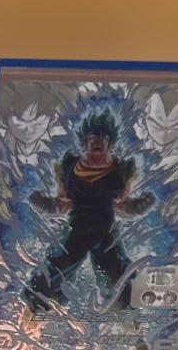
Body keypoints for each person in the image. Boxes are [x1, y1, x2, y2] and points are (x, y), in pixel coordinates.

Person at [25, 108, 154, 314]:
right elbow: (62, 204)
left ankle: (130, 318)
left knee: (116, 273)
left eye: (103, 138)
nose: (97, 142)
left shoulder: (120, 170)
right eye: (92, 138)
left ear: (109, 144)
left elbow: (122, 206)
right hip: (76, 229)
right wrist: (40, 202)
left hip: (105, 230)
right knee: (58, 267)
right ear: (84, 143)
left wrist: (143, 204)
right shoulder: (69, 167)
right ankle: (35, 309)